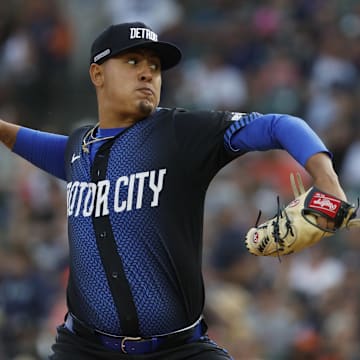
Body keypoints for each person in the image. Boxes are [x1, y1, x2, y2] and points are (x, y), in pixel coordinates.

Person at [0, 21, 348, 360]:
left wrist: (328, 182)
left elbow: (279, 124)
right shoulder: (79, 148)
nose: (147, 73)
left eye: (155, 66)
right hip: (83, 348)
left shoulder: (179, 134)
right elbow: (41, 146)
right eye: (132, 61)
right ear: (97, 75)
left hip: (178, 349)